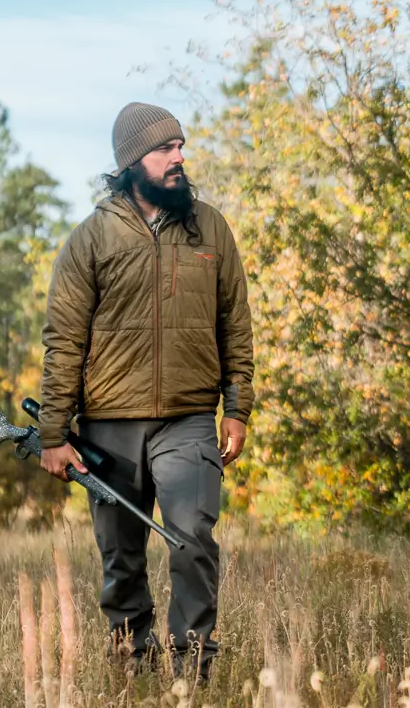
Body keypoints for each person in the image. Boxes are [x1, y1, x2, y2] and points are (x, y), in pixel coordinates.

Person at [36, 102, 254, 676]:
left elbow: (235, 323)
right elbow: (64, 342)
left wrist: (237, 409)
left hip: (188, 419)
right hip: (109, 425)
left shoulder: (210, 228)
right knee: (122, 561)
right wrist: (53, 433)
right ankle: (133, 666)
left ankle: (192, 673)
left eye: (180, 145)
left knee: (193, 541)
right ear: (133, 162)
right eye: (166, 149)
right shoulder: (90, 239)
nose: (179, 157)